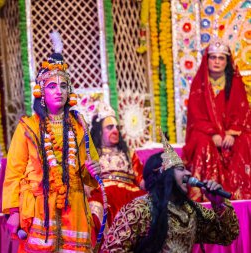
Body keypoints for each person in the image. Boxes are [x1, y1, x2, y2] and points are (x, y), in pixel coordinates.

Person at [2, 31, 101, 252]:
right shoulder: (28, 127)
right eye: (52, 86)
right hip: (40, 207)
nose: (59, 91)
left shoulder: (78, 125)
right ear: (41, 92)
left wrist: (94, 170)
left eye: (63, 86)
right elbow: (14, 173)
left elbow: (88, 171)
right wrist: (13, 211)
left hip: (74, 205)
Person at [102, 131, 239, 252]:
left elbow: (227, 235)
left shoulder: (190, 210)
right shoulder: (138, 210)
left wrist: (219, 204)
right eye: (180, 168)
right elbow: (111, 249)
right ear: (163, 173)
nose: (188, 173)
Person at [183, 39, 251, 201]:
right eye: (213, 57)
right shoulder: (198, 84)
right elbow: (196, 115)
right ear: (207, 60)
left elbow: (242, 111)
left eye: (221, 58)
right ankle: (204, 194)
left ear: (227, 62)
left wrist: (232, 134)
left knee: (245, 141)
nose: (217, 62)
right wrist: (212, 133)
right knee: (202, 143)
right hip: (206, 132)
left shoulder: (235, 82)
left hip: (230, 133)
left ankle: (241, 194)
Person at [88, 102, 145, 245]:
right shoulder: (92, 155)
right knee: (94, 207)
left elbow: (142, 180)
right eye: (109, 127)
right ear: (99, 131)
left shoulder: (128, 153)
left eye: (117, 127)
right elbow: (86, 183)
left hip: (131, 195)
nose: (115, 130)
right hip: (104, 196)